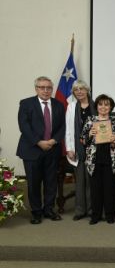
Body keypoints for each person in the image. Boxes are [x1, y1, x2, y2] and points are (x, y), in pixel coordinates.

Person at [17, 76, 65, 224]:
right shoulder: (26, 103)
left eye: (49, 88)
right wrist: (38, 142)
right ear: (36, 89)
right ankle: (36, 212)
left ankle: (49, 209)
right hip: (32, 149)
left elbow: (63, 127)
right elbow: (24, 126)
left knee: (51, 182)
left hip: (52, 148)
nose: (46, 90)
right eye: (42, 87)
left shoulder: (58, 104)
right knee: (33, 183)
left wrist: (53, 141)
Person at [80, 94, 115, 225]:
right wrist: (89, 135)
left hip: (110, 159)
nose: (103, 107)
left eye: (106, 104)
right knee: (95, 189)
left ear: (110, 107)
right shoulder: (90, 120)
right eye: (100, 104)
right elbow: (83, 140)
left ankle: (110, 215)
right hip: (94, 159)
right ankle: (95, 215)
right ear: (96, 106)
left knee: (109, 188)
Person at [65, 80, 96, 221]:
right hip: (78, 149)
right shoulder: (71, 107)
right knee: (80, 182)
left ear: (87, 90)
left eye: (82, 89)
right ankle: (80, 210)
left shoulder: (96, 105)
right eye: (76, 89)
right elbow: (68, 130)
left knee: (92, 181)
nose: (79, 92)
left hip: (95, 149)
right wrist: (69, 148)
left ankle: (91, 209)